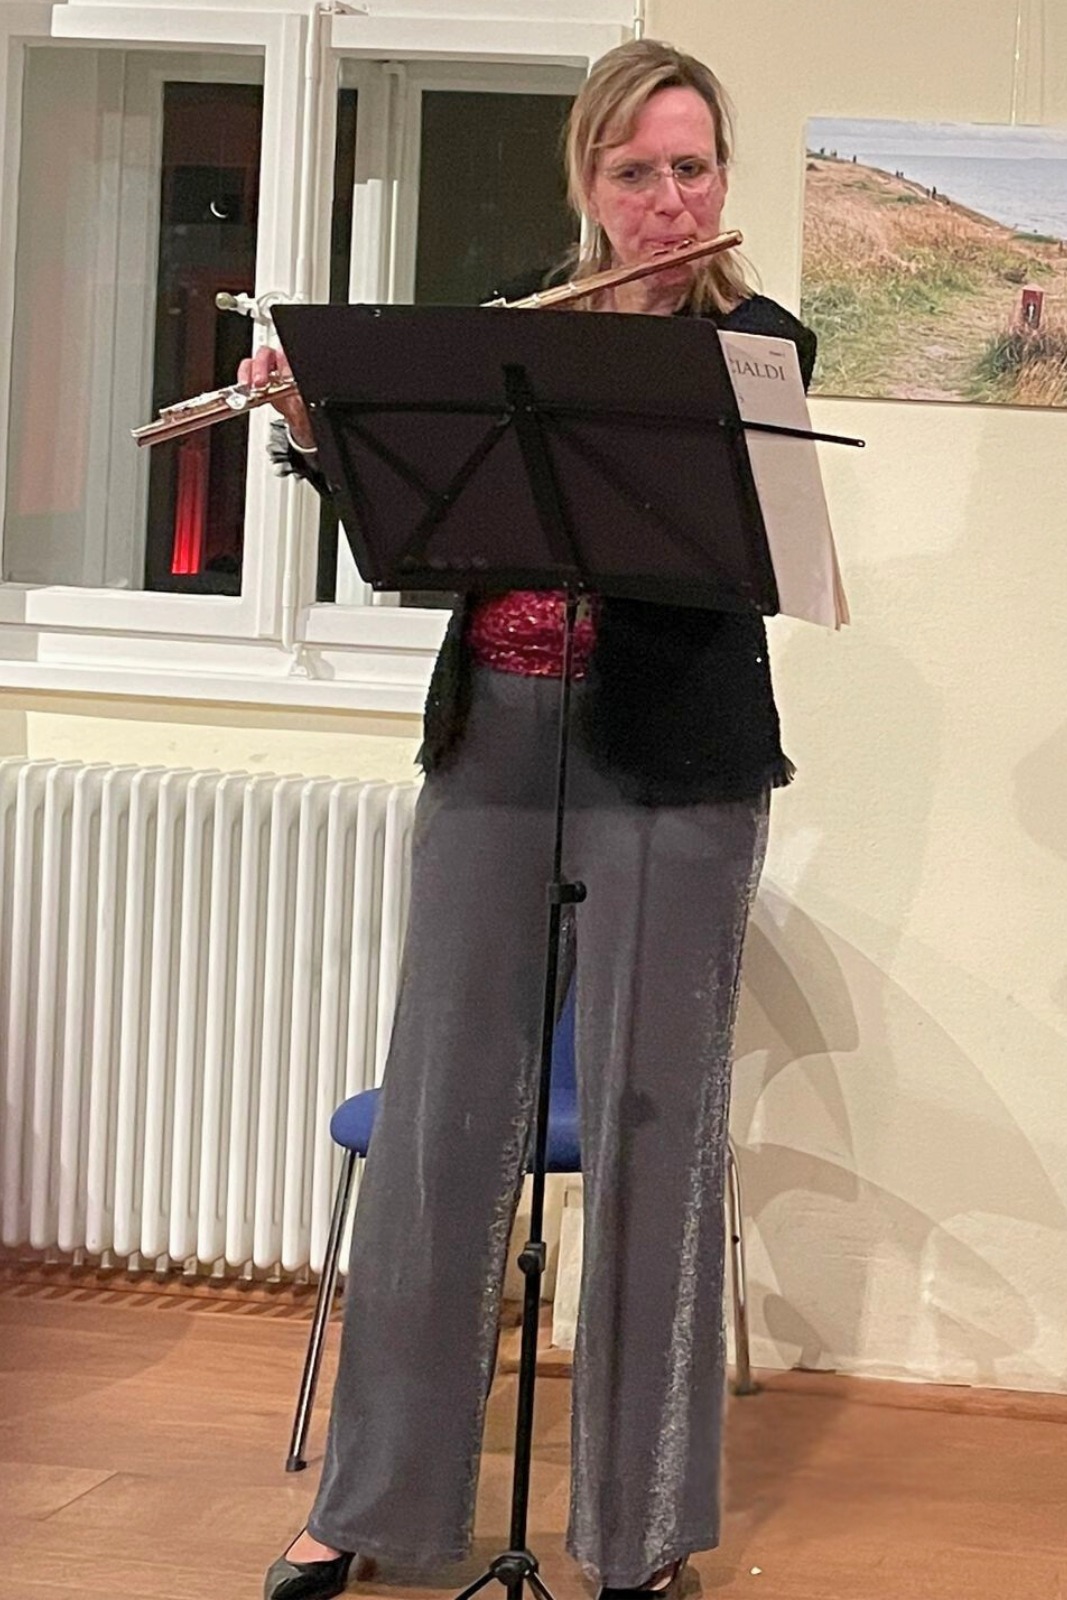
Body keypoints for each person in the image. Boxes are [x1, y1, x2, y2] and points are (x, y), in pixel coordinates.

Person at [246, 37, 817, 1600]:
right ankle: (371, 1504)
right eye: (637, 172)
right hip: (494, 743)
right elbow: (423, 536)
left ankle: (639, 1535)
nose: (668, 199)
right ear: (590, 180)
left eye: (693, 168)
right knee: (440, 1121)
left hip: (675, 765)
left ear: (722, 177)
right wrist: (325, 430)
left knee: (652, 1129)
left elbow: (732, 561)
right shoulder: (509, 323)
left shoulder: (757, 344)